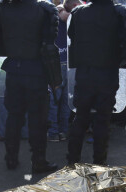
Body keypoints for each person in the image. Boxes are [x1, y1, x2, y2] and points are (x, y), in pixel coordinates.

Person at [0, 0, 59, 173]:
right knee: (38, 119)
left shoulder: (2, 8)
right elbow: (49, 41)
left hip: (13, 69)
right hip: (35, 70)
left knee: (14, 116)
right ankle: (38, 161)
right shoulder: (43, 9)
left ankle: (11, 158)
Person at [65, 0, 126, 166]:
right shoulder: (119, 12)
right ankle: (99, 162)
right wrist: (118, 59)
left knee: (81, 118)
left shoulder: (79, 12)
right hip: (106, 72)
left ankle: (72, 161)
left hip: (86, 72)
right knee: (102, 120)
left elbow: (72, 36)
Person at [46, 0, 76, 143]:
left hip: (56, 63)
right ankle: (63, 131)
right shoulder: (76, 16)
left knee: (53, 100)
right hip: (69, 62)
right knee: (65, 101)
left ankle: (53, 132)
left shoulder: (55, 13)